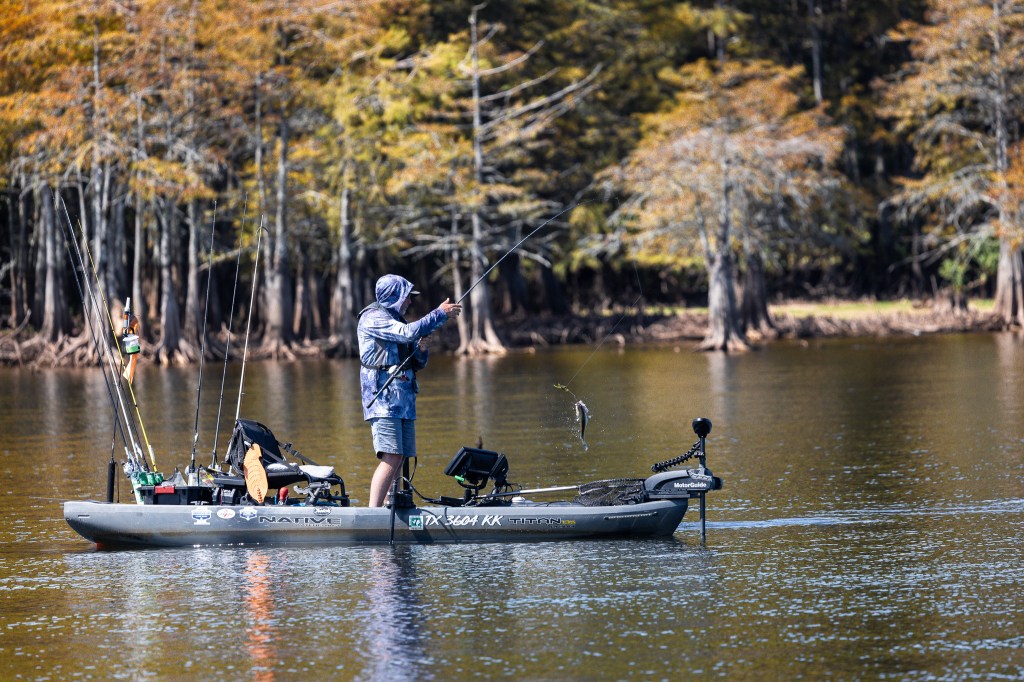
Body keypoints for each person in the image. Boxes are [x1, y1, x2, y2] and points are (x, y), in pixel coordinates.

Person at [357, 274, 462, 507]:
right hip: (383, 400)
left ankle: (391, 506)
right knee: (391, 455)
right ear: (394, 296)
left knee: (400, 455)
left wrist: (422, 349)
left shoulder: (397, 321)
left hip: (403, 401)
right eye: (407, 297)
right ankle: (373, 512)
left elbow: (415, 363)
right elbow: (406, 333)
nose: (410, 301)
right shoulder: (372, 317)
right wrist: (439, 314)